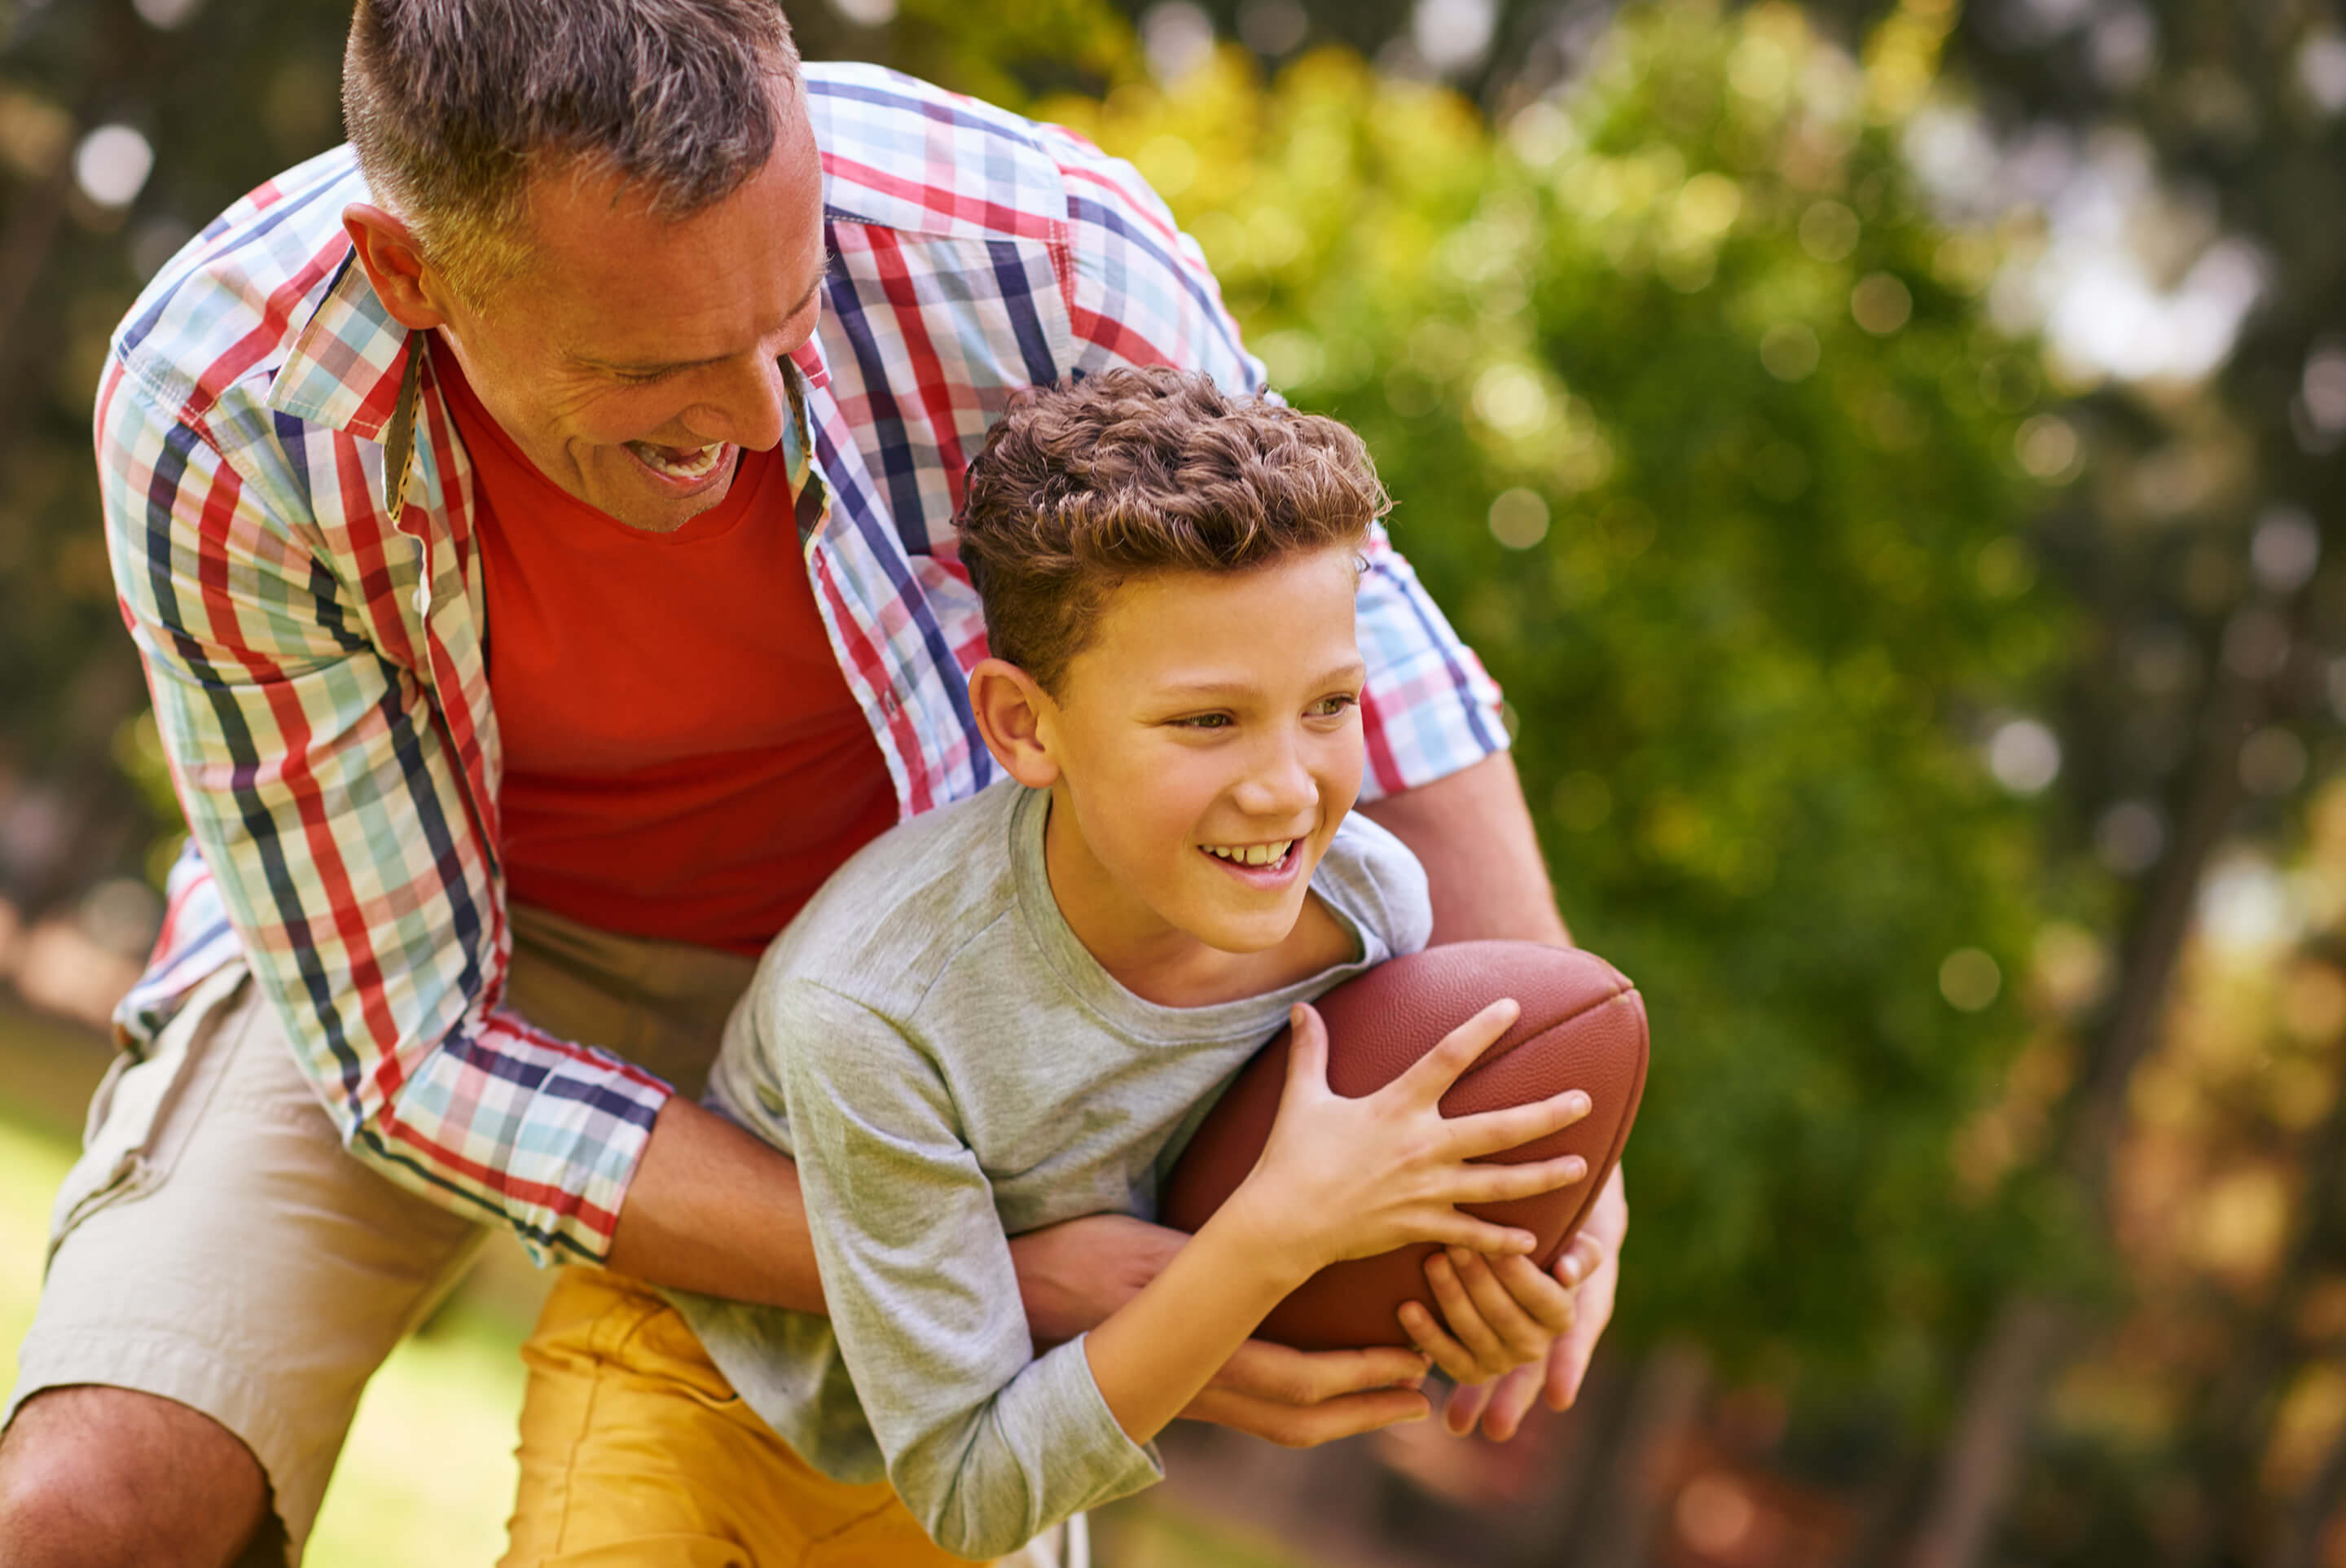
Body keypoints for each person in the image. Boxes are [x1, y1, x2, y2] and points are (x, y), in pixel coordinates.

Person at [0, 2, 1626, 1565]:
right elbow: (414, 1050)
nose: (768, 414)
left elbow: (1353, 639)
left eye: (791, 315)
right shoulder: (228, 414)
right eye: (665, 366)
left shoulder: (1038, 254)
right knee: (91, 1513)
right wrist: (1014, 1271)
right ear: (413, 273)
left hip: (924, 1011)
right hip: (449, 940)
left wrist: (1547, 1139)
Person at [499, 369, 1595, 1565]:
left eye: (1328, 705)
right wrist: (1275, 1236)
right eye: (1207, 720)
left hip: (1013, 1435)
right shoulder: (875, 1001)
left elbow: (1281, 1219)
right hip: (712, 1400)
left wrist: (1480, 1275)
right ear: (1025, 725)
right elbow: (973, 1472)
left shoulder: (1370, 910)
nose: (1287, 786)